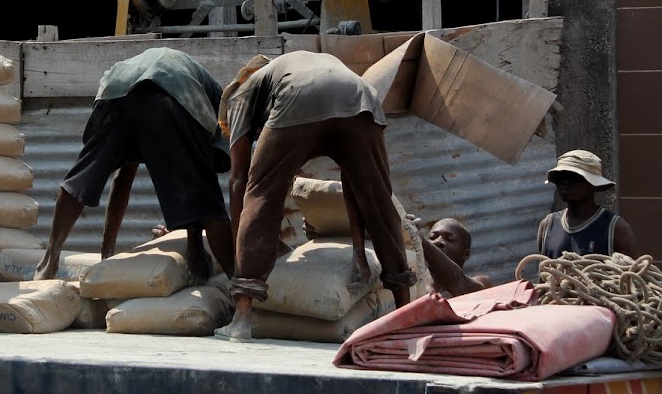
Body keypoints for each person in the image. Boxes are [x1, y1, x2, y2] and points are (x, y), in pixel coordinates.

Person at [217, 52, 417, 341]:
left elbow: (239, 180)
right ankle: (405, 313)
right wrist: (358, 253)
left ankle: (242, 317)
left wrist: (241, 257)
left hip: (301, 95)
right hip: (360, 96)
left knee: (260, 193)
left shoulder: (239, 95)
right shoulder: (293, 67)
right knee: (378, 199)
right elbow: (353, 187)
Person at [33, 47, 235, 284]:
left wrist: (106, 253)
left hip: (117, 90)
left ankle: (49, 260)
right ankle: (236, 283)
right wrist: (196, 247)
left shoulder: (191, 82)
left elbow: (122, 181)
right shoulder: (220, 111)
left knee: (84, 175)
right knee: (206, 194)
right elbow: (199, 181)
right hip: (173, 90)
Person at [537, 150, 637, 259]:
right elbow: (544, 271)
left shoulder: (615, 228)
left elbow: (632, 274)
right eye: (560, 177)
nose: (565, 182)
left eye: (573, 177)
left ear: (593, 184)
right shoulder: (548, 225)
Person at [419, 217, 491, 297]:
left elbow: (459, 284)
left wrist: (422, 241)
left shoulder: (482, 282)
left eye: (449, 239)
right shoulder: (413, 287)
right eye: (432, 238)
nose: (438, 241)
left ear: (466, 254)